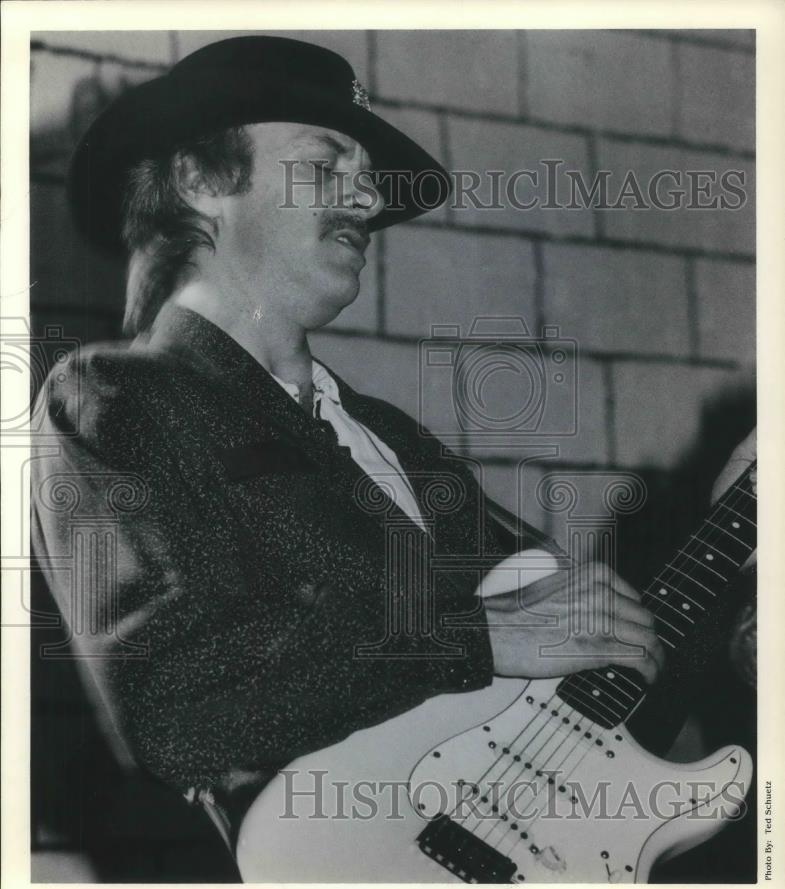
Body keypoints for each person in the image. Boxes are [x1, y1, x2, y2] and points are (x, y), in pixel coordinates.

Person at [33, 35, 748, 845]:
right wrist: (476, 638)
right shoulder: (116, 395)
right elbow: (175, 713)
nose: (369, 203)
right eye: (327, 161)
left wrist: (738, 538)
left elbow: (585, 696)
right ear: (201, 180)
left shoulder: (392, 440)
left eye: (366, 179)